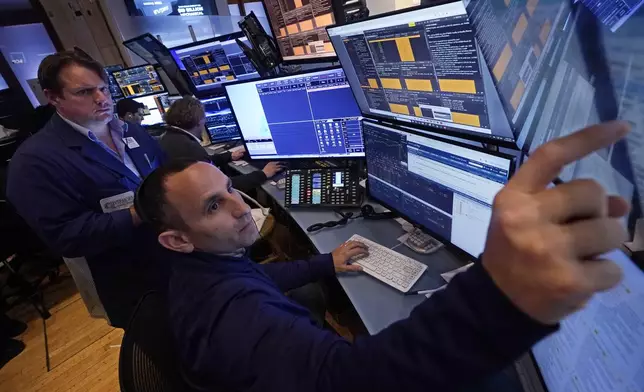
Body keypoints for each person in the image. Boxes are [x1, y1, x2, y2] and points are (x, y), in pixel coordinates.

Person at [134, 121, 631, 391]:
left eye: (231, 189)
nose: (243, 207)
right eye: (215, 206)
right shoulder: (237, 318)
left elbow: (261, 282)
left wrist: (323, 264)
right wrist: (500, 293)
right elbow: (357, 380)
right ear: (176, 238)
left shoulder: (202, 270)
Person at [6, 51, 167, 327]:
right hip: (130, 286)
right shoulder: (35, 162)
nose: (102, 98)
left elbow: (165, 175)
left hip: (177, 262)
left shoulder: (130, 130)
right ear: (53, 97)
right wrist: (139, 213)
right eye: (84, 92)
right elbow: (66, 236)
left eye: (103, 88)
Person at [160, 96, 283, 193]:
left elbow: (202, 162)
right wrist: (263, 174)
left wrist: (228, 156)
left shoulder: (169, 138)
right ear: (198, 122)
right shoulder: (189, 147)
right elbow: (223, 187)